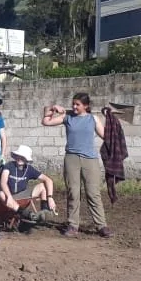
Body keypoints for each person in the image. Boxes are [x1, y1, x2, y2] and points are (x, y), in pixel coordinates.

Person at [42, 92, 113, 238]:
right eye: (73, 104)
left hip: (90, 160)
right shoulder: (67, 117)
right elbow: (46, 121)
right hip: (71, 159)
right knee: (73, 193)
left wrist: (112, 121)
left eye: (77, 104)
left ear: (86, 106)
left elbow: (106, 136)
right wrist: (53, 108)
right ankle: (73, 225)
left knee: (93, 193)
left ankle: (101, 226)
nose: (74, 106)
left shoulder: (93, 119)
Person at [0, 144, 57, 220]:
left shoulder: (29, 169)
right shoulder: (9, 166)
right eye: (19, 156)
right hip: (8, 194)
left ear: (26, 159)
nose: (20, 158)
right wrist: (9, 196)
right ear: (16, 156)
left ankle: (44, 211)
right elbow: (3, 182)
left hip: (22, 194)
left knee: (43, 186)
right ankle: (27, 214)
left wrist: (50, 198)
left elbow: (48, 180)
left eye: (23, 157)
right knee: (1, 194)